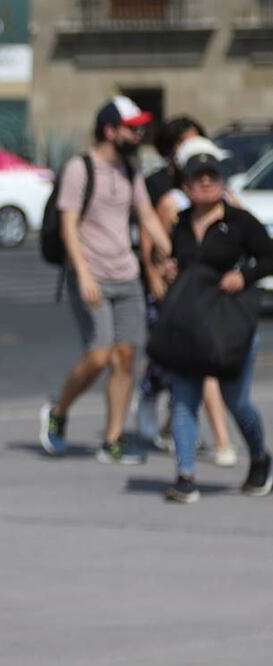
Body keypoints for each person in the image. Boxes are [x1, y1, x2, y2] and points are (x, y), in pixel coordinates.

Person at [39, 96, 172, 463]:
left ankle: (112, 440)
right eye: (132, 127)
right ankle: (58, 411)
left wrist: (168, 251)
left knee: (125, 358)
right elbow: (68, 224)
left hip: (126, 274)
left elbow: (145, 214)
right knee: (98, 357)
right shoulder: (81, 168)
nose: (139, 133)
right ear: (110, 130)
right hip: (92, 273)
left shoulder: (131, 169)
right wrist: (82, 274)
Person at [161, 151, 273, 502]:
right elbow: (174, 261)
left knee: (235, 400)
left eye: (213, 177)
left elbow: (269, 256)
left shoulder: (240, 222)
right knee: (183, 398)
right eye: (199, 178)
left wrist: (245, 276)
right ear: (187, 186)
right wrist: (170, 271)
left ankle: (259, 457)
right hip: (189, 322)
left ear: (222, 184)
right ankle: (185, 476)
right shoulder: (179, 222)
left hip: (230, 322)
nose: (206, 182)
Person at [138, 124, 239, 467]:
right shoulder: (172, 203)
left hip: (216, 299)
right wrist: (157, 278)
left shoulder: (228, 200)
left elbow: (251, 243)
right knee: (198, 367)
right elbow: (153, 246)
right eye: (203, 169)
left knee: (193, 370)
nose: (209, 176)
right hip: (182, 298)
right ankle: (219, 442)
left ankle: (172, 425)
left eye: (214, 169)